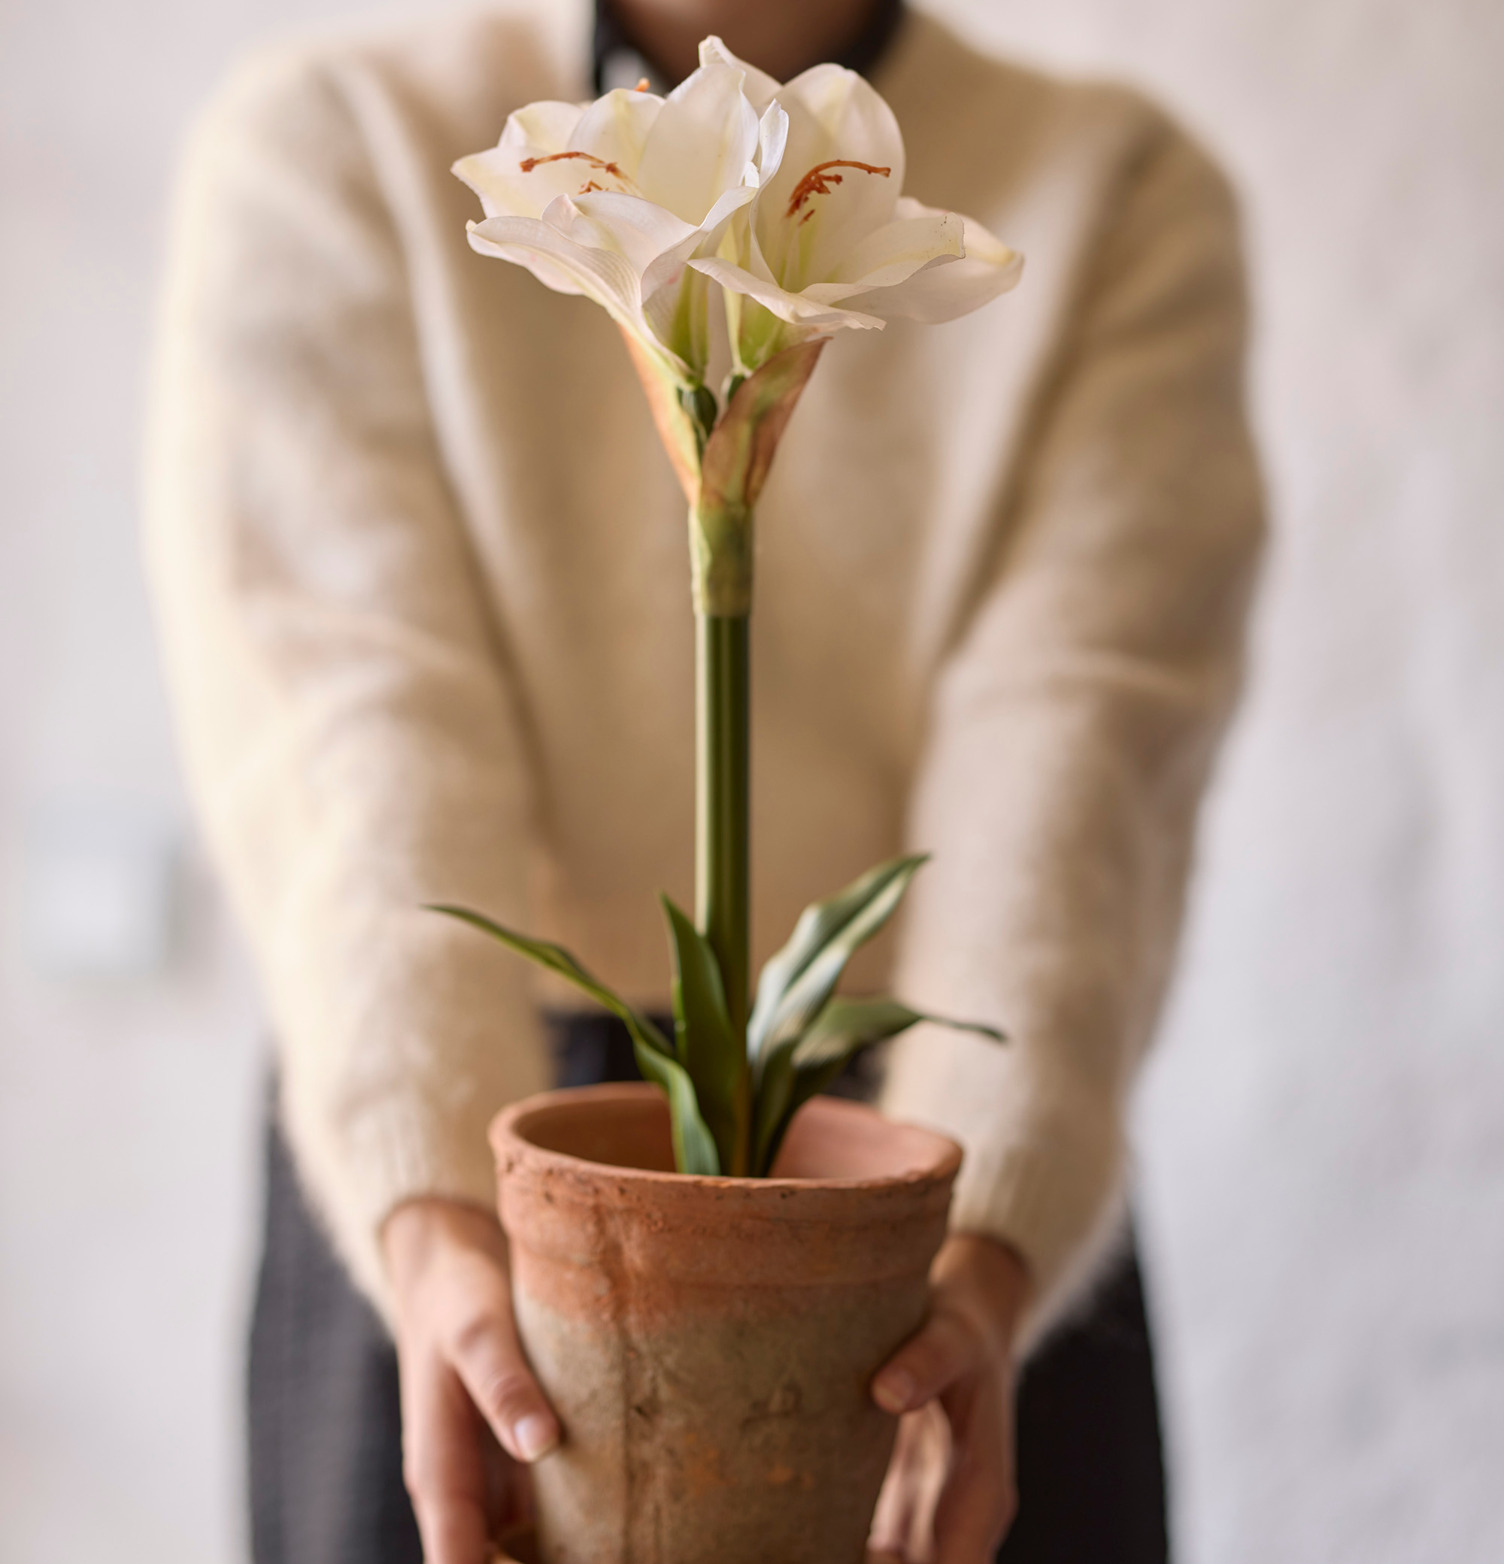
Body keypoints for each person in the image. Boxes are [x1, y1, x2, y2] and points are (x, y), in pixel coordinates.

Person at [144, 0, 1263, 1559]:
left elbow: (1082, 754)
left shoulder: (1115, 188)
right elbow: (358, 732)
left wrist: (982, 1248)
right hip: (462, 1172)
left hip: (930, 1181)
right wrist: (437, 1227)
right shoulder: (341, 147)